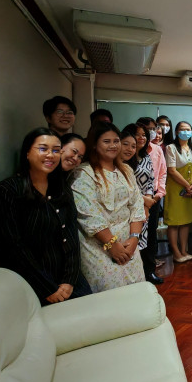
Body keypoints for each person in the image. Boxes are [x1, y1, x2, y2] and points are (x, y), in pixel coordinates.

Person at [0, 127, 91, 305]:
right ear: (27, 153)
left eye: (56, 150)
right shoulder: (6, 192)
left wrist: (70, 279)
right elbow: (13, 247)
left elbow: (71, 233)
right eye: (43, 149)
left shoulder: (61, 188)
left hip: (68, 280)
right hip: (31, 283)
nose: (50, 155)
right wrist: (47, 288)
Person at [71, 122, 146, 292]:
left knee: (136, 292)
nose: (113, 145)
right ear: (94, 145)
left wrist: (135, 238)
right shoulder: (84, 173)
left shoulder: (126, 170)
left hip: (128, 243)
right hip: (98, 247)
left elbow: (137, 204)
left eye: (116, 141)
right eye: (106, 141)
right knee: (109, 295)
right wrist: (112, 245)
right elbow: (88, 213)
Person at [120, 124, 156, 266]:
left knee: (144, 241)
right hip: (127, 206)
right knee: (129, 242)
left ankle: (147, 271)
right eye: (137, 134)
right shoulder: (122, 160)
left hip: (144, 207)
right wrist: (145, 200)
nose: (141, 138)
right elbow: (124, 188)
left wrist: (146, 206)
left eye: (144, 135)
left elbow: (150, 181)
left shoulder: (146, 156)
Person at [164, 121, 192, 263]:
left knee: (186, 221)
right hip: (175, 188)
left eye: (188, 129)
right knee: (174, 222)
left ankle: (184, 250)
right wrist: (186, 185)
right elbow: (172, 170)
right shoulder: (171, 148)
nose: (185, 132)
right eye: (182, 129)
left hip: (190, 188)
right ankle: (176, 252)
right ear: (176, 132)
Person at [137, 117, 167, 284]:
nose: (150, 133)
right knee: (135, 234)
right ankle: (136, 271)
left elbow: (162, 173)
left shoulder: (156, 149)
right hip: (134, 199)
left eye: (152, 129)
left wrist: (159, 193)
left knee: (150, 235)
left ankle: (149, 270)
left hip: (153, 197)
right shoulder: (128, 150)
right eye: (145, 130)